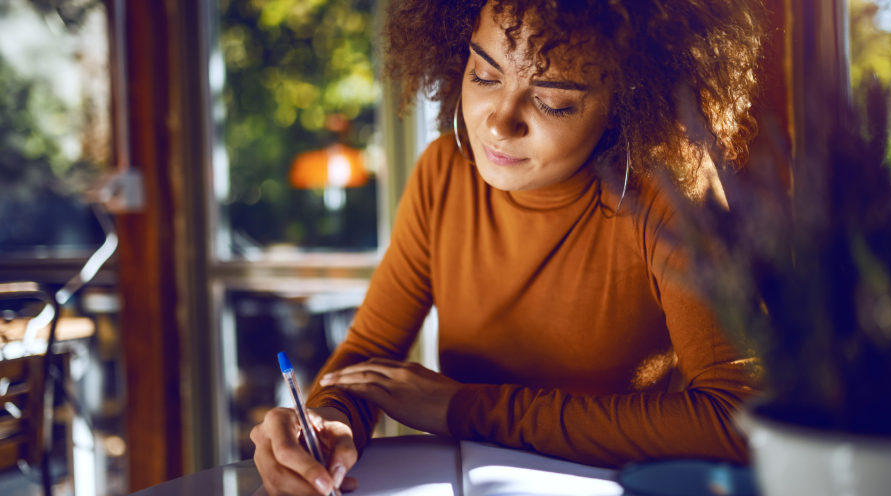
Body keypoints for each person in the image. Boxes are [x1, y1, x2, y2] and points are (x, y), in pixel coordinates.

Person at [250, 0, 763, 494]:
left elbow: (739, 416)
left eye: (554, 101)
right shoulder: (443, 173)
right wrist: (327, 420)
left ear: (628, 100)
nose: (498, 123)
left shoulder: (673, 193)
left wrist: (469, 409)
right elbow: (369, 357)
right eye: (484, 75)